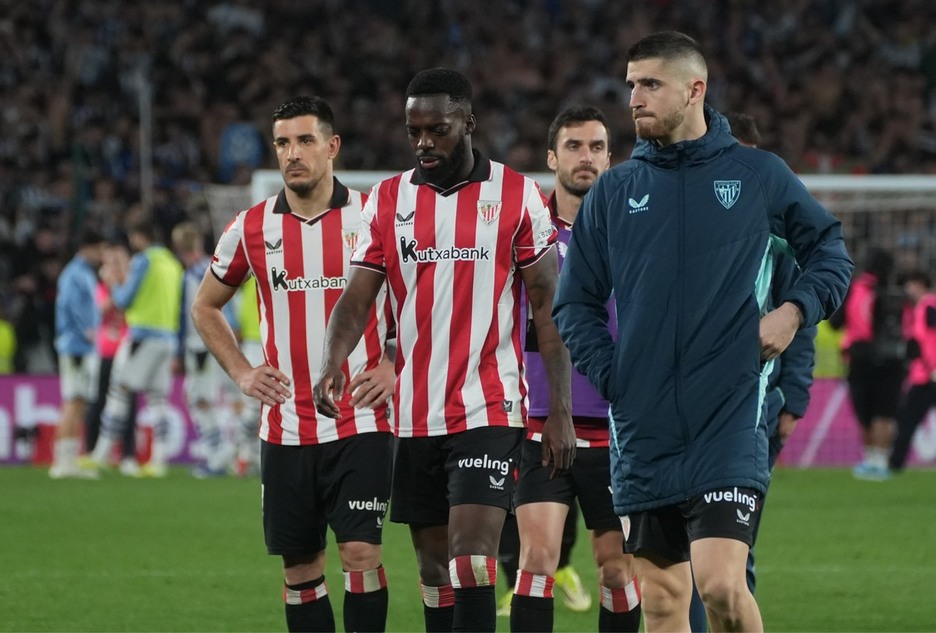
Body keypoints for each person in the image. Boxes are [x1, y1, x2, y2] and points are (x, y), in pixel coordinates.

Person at [552, 32, 852, 632]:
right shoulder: (615, 191)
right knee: (662, 603)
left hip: (729, 418)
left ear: (695, 89)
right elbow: (574, 302)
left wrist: (792, 313)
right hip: (643, 427)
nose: (634, 96)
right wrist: (616, 375)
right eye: (631, 83)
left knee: (719, 585)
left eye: (650, 84)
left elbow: (830, 252)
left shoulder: (756, 174)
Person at [313, 68, 575, 633]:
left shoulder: (517, 194)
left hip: (490, 404)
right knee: (435, 572)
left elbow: (549, 311)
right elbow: (356, 300)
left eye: (439, 129)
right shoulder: (387, 200)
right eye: (415, 131)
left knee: (473, 559)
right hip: (413, 412)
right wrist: (332, 359)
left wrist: (558, 410)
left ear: (469, 123)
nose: (425, 142)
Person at [191, 95, 396, 633]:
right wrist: (241, 371)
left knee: (359, 554)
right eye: (282, 143)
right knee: (301, 568)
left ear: (332, 147)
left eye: (305, 141)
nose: (292, 153)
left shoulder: (374, 217)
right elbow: (205, 305)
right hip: (285, 427)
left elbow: (417, 301)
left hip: (361, 420)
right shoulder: (251, 228)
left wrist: (393, 361)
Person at [507, 105, 640, 633]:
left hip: (617, 430)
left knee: (616, 570)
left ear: (610, 157)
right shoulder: (525, 234)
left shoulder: (633, 232)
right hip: (540, 425)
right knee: (535, 561)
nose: (586, 158)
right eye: (574, 147)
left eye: (597, 148)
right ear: (551, 157)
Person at [83, 221, 183, 478]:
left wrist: (113, 282)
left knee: (118, 392)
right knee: (157, 399)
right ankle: (159, 462)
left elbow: (124, 300)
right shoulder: (173, 264)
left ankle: (100, 455)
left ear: (139, 237)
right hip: (168, 339)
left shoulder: (143, 261)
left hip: (142, 336)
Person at [835, 248, 908, 481]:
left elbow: (836, 322)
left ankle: (869, 460)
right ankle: (880, 461)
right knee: (885, 412)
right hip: (894, 359)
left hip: (860, 358)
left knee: (864, 411)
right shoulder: (899, 293)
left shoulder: (855, 288)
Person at [171, 221, 234, 478]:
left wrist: (179, 352)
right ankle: (221, 451)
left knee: (202, 399)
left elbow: (187, 317)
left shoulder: (193, 274)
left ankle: (219, 455)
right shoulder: (215, 266)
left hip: (200, 345)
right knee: (201, 397)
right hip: (214, 343)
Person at [49, 229, 106, 479]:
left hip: (81, 346)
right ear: (87, 248)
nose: (102, 254)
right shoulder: (75, 273)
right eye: (100, 249)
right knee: (73, 401)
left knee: (79, 402)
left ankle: (68, 460)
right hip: (76, 346)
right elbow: (69, 304)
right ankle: (61, 462)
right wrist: (87, 329)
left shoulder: (81, 272)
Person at [83, 239, 140, 476]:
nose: (115, 267)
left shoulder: (130, 286)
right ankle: (92, 451)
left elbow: (131, 309)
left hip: (126, 350)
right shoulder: (102, 287)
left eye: (119, 262)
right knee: (98, 401)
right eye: (111, 262)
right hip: (105, 351)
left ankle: (128, 455)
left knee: (129, 404)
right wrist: (113, 285)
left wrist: (120, 284)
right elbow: (104, 309)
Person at [889, 270, 936, 473]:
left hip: (928, 375)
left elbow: (929, 340)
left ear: (919, 284)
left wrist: (932, 367)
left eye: (909, 284)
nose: (907, 289)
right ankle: (895, 463)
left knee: (907, 420)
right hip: (923, 373)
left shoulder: (929, 306)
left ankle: (895, 464)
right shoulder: (917, 308)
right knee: (907, 419)